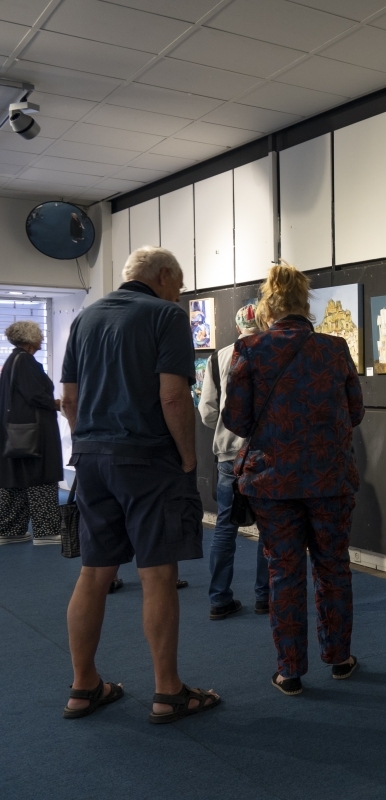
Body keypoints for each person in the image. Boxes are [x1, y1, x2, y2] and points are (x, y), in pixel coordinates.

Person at [59, 246, 219, 722]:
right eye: (179, 285)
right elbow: (173, 396)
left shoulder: (85, 319)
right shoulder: (166, 316)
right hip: (148, 459)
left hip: (91, 459)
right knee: (158, 573)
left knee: (94, 573)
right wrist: (188, 457)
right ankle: (169, 692)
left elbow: (69, 400)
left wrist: (87, 444)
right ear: (164, 276)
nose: (180, 294)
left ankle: (83, 686)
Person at [223, 263, 363, 696]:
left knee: (283, 572)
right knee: (333, 567)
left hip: (274, 483)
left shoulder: (249, 350)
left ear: (267, 307)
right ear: (306, 304)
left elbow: (237, 421)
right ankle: (339, 658)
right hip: (329, 479)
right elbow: (356, 412)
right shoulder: (335, 348)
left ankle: (290, 671)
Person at [199, 303, 269, 620]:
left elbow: (207, 411)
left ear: (238, 326)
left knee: (225, 528)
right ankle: (265, 597)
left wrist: (226, 427)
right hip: (266, 453)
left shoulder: (218, 358)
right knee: (269, 528)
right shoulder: (272, 354)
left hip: (229, 454)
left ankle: (219, 599)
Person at [0, 320, 63, 546]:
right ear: (30, 339)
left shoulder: (12, 360)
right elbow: (35, 394)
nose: (42, 338)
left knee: (15, 478)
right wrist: (58, 404)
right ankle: (46, 531)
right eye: (39, 335)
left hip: (16, 431)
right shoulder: (26, 361)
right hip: (35, 431)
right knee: (41, 475)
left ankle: (11, 530)